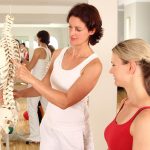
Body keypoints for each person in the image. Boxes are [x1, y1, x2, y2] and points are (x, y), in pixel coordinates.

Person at [13, 3, 103, 150]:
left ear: (92, 30)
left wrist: (30, 78)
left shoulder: (93, 65)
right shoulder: (58, 53)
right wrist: (18, 94)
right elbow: (43, 87)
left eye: (78, 29)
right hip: (49, 125)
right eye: (70, 27)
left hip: (71, 132)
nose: (72, 33)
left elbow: (65, 101)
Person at [104, 39, 150, 150]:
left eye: (114, 65)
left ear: (131, 67)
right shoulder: (125, 103)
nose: (110, 71)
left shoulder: (146, 118)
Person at [25, 30, 51, 143]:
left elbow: (30, 67)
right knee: (47, 109)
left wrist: (21, 65)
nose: (36, 39)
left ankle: (35, 136)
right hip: (44, 83)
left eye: (37, 38)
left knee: (32, 108)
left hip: (35, 83)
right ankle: (49, 134)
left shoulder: (38, 50)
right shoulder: (48, 51)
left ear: (40, 38)